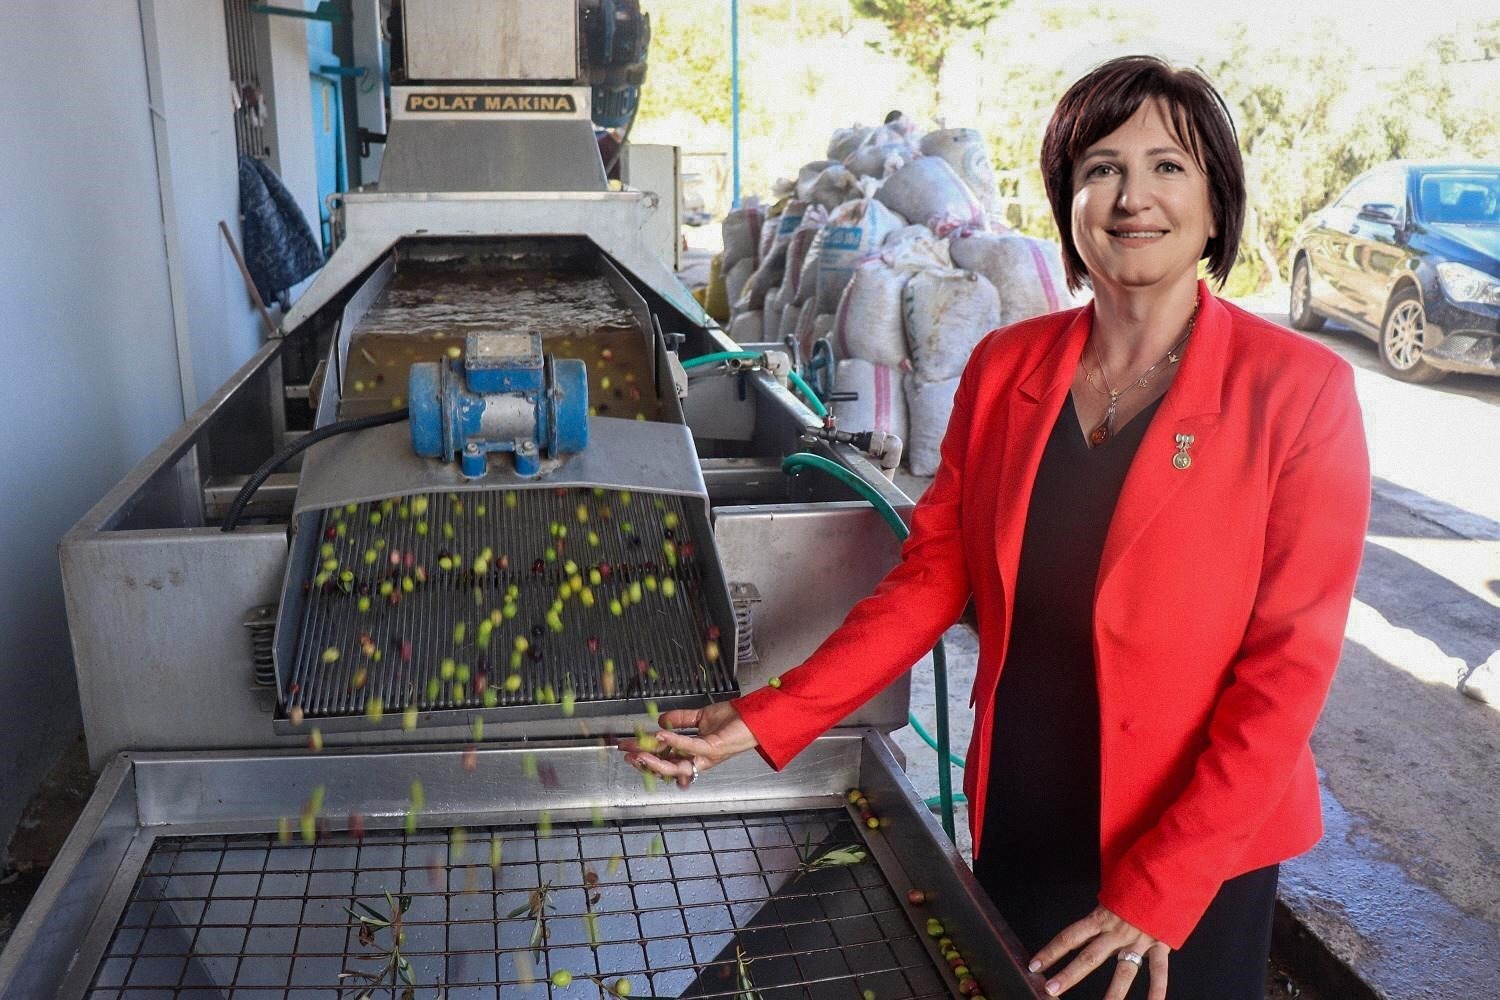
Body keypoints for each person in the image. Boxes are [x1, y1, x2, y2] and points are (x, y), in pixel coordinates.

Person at [622, 55, 1370, 1000]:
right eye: (1101, 168)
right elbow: (933, 579)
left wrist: (1162, 885)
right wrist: (768, 716)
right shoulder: (1008, 366)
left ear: (1217, 205)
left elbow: (1287, 672)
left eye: (1168, 166)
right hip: (1023, 804)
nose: (1133, 196)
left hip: (1193, 843)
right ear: (1069, 206)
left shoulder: (1298, 393)